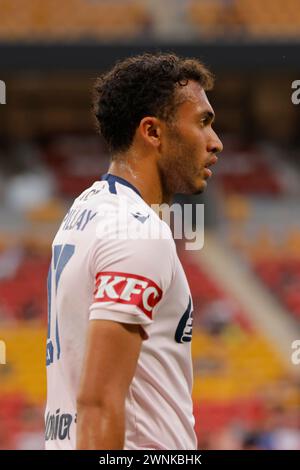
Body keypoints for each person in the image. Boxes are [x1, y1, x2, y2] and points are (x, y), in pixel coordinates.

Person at [45, 53, 223, 450]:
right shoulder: (138, 233)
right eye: (203, 122)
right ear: (153, 132)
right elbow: (99, 403)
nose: (216, 142)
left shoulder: (84, 211)